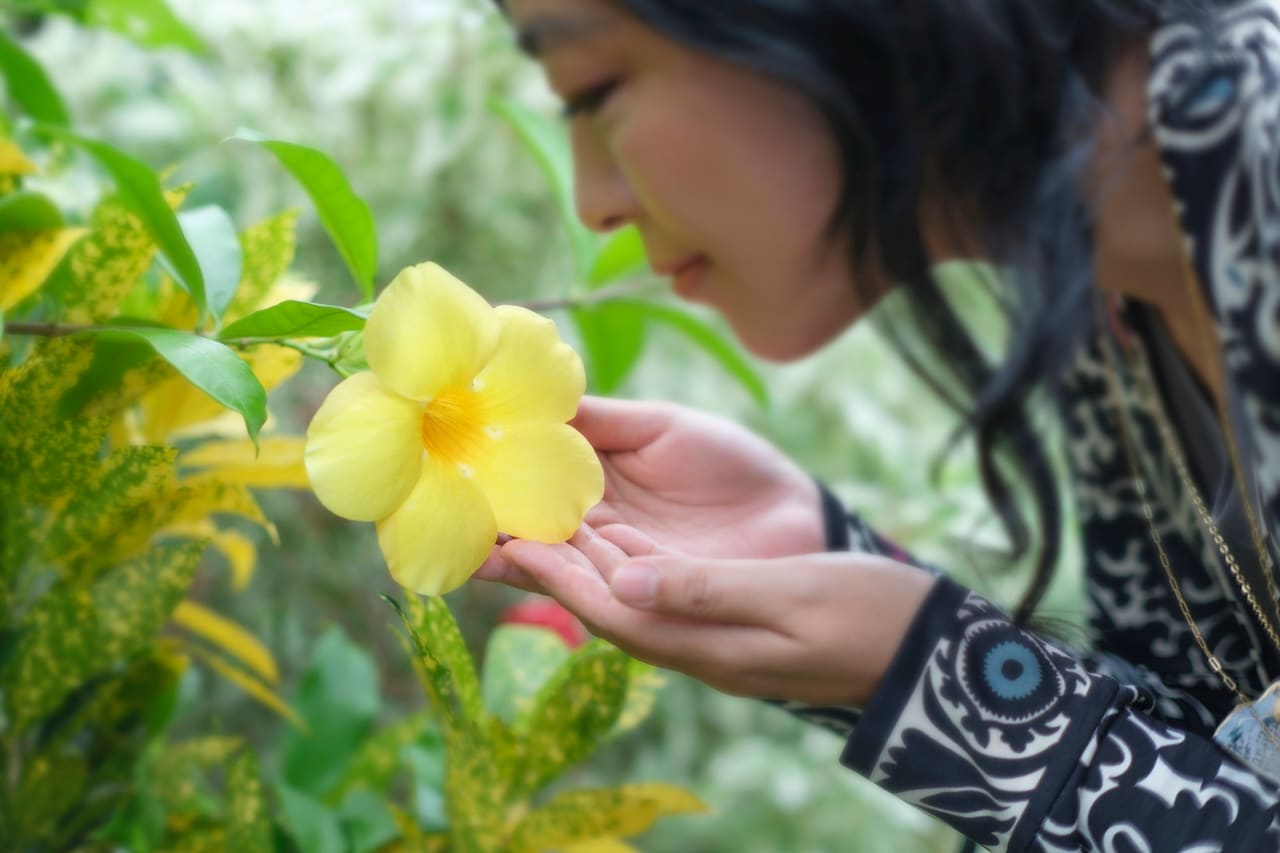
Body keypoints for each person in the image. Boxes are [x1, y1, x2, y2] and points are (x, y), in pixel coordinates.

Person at [474, 0, 1280, 848]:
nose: (594, 201)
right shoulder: (1109, 268)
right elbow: (1208, 741)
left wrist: (938, 670)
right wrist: (832, 560)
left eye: (593, 87)